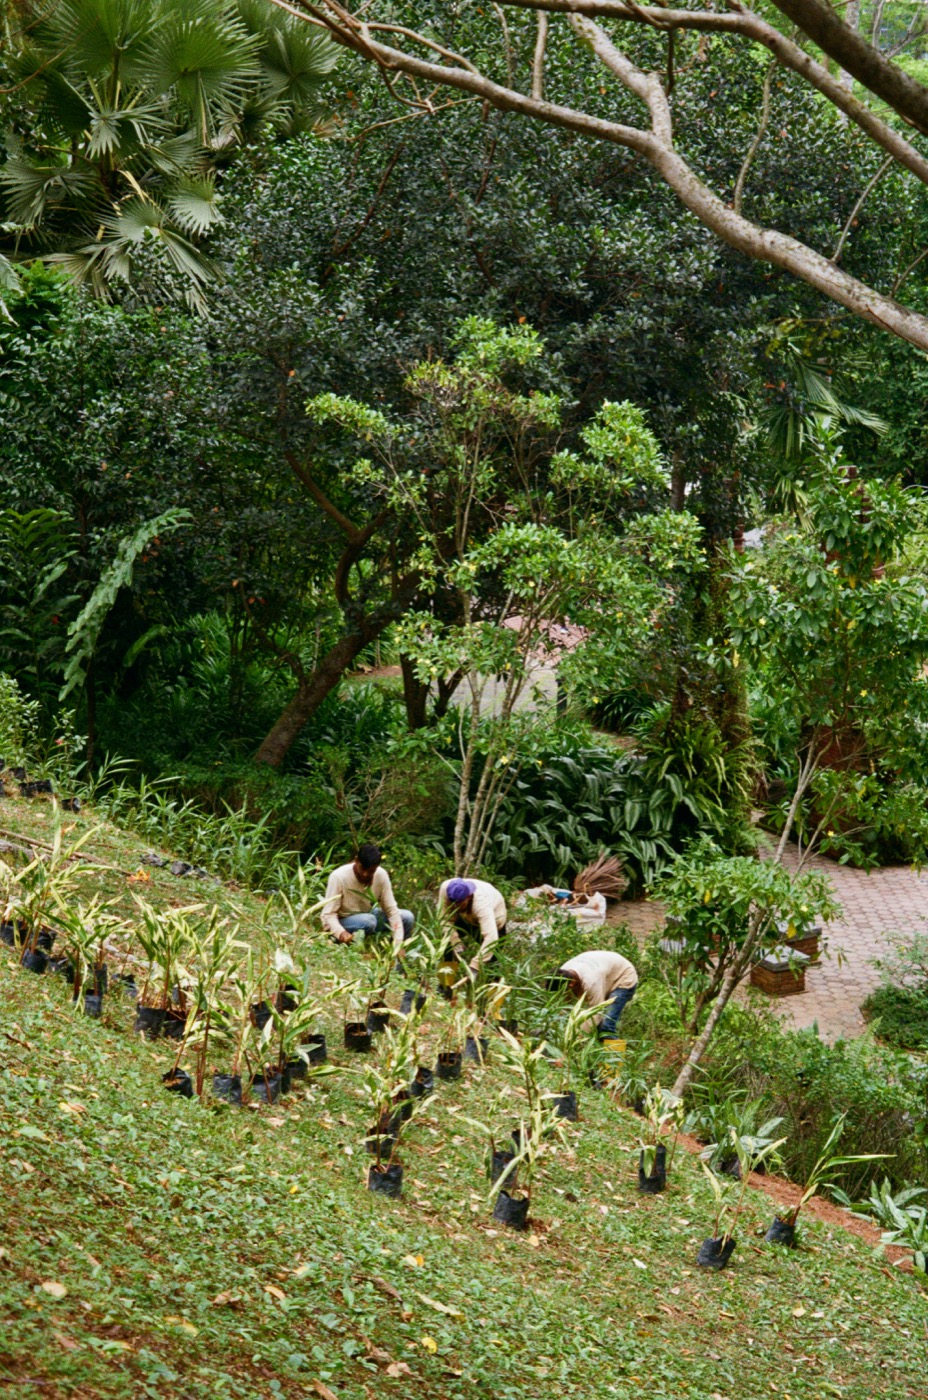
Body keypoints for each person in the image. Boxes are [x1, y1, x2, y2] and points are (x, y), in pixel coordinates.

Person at [320, 844, 414, 955]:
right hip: (344, 921)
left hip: (367, 916)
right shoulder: (339, 877)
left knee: (407, 917)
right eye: (363, 869)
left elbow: (392, 911)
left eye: (370, 871)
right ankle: (353, 953)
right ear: (356, 861)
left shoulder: (381, 875)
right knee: (368, 920)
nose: (365, 874)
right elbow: (327, 915)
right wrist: (341, 933)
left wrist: (398, 943)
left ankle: (395, 965)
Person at [551, 949, 638, 1039]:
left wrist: (576, 1038)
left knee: (606, 1026)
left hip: (623, 977)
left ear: (571, 984)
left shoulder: (591, 981)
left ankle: (615, 1052)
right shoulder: (562, 973)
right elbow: (562, 1006)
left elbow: (596, 1011)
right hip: (605, 970)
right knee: (595, 1026)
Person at [438, 877, 507, 972]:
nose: (455, 908)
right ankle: (445, 983)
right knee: (447, 944)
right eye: (452, 904)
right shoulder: (445, 889)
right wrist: (454, 939)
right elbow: (444, 919)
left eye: (460, 905)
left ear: (469, 896)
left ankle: (493, 985)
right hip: (465, 917)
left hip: (494, 922)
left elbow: (491, 938)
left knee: (493, 962)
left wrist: (475, 965)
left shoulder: (481, 904)